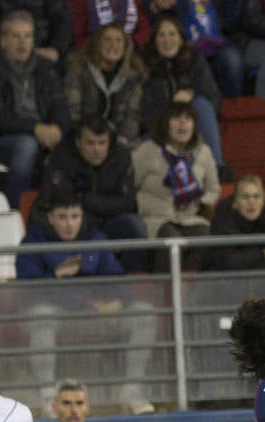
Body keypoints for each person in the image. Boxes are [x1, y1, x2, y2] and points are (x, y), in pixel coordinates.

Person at [16, 191, 156, 414]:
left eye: (74, 216)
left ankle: (131, 392)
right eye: (62, 217)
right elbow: (29, 295)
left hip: (99, 317)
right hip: (58, 320)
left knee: (144, 314)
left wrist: (117, 302)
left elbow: (117, 279)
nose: (69, 224)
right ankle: (48, 397)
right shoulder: (32, 244)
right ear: (51, 218)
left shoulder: (95, 239)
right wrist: (57, 277)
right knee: (42, 315)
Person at [0, 10, 72, 207]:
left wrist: (58, 129)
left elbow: (61, 107)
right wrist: (35, 128)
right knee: (26, 145)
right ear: (3, 42)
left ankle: (61, 211)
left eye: (27, 36)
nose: (22, 42)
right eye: (15, 36)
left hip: (41, 135)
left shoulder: (45, 68)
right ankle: (15, 208)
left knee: (78, 142)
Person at [37, 115, 149, 272]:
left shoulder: (121, 157)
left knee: (135, 225)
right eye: (90, 143)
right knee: (73, 222)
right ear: (78, 142)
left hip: (110, 222)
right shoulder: (61, 158)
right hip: (76, 225)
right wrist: (98, 207)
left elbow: (128, 203)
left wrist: (86, 200)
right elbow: (62, 203)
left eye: (102, 143)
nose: (97, 150)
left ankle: (131, 283)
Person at [131, 99, 221, 271]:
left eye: (188, 118)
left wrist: (201, 200)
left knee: (204, 235)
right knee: (173, 241)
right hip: (156, 218)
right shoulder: (148, 149)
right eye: (176, 118)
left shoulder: (203, 152)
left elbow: (213, 188)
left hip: (189, 217)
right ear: (165, 123)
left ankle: (189, 291)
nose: (183, 123)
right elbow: (131, 183)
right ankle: (163, 292)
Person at [139, 14, 228, 178]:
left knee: (202, 103)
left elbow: (215, 101)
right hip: (158, 129)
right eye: (161, 35)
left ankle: (217, 167)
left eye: (172, 34)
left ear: (181, 38)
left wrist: (192, 92)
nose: (167, 40)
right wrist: (172, 109)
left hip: (190, 129)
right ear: (154, 41)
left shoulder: (195, 60)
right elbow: (142, 115)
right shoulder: (143, 66)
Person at [63, 22, 147, 149]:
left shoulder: (134, 77)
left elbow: (132, 115)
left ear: (125, 47)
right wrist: (86, 140)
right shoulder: (78, 69)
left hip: (120, 141)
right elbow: (73, 110)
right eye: (107, 40)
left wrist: (121, 142)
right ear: (97, 44)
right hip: (85, 139)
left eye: (119, 41)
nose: (113, 45)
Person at [204, 174, 265, 271]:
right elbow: (229, 262)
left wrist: (251, 265)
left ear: (263, 201)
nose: (251, 202)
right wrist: (261, 253)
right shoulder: (222, 222)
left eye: (257, 196)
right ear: (235, 203)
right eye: (245, 197)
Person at [0, 0, 73, 67]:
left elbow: (62, 20)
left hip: (47, 51)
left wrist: (55, 49)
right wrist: (22, 52)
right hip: (6, 55)